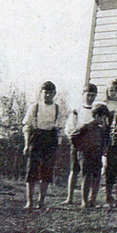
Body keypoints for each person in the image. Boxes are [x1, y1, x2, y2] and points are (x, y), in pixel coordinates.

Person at [22, 81, 65, 209]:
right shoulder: (34, 107)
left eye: (51, 93)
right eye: (45, 92)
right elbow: (27, 127)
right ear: (41, 93)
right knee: (31, 171)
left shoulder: (58, 109)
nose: (48, 95)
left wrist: (58, 145)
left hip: (50, 139)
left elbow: (60, 130)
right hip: (36, 138)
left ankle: (41, 201)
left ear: (55, 94)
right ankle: (29, 201)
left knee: (47, 170)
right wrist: (26, 144)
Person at [62, 82, 98, 205]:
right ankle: (69, 198)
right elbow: (69, 127)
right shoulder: (77, 110)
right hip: (77, 144)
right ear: (83, 94)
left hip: (89, 146)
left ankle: (86, 200)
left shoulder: (96, 110)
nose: (90, 98)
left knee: (87, 172)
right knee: (74, 170)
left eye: (93, 95)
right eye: (88, 95)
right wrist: (73, 137)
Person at [70, 103, 112, 208]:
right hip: (85, 155)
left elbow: (104, 142)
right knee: (86, 177)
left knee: (97, 176)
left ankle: (92, 200)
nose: (104, 120)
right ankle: (84, 202)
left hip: (97, 155)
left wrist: (103, 150)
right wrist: (81, 147)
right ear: (97, 116)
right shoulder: (85, 127)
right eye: (103, 118)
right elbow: (73, 137)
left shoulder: (101, 130)